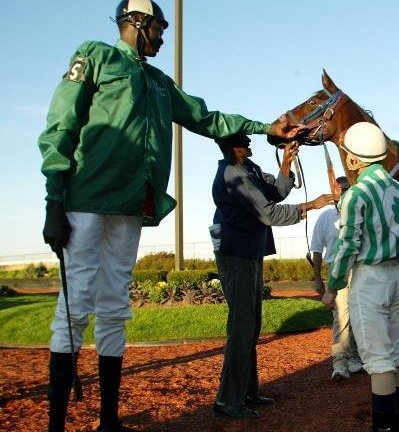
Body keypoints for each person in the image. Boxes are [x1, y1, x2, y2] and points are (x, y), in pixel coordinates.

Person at [37, 2, 305, 431]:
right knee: (73, 310)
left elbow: (207, 117)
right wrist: (54, 199)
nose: (163, 37)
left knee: (113, 309)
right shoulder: (95, 56)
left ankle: (109, 422)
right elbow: (60, 125)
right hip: (84, 202)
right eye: (159, 28)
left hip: (130, 207)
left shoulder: (160, 82)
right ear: (138, 23)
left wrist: (265, 128)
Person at [212, 134, 335, 419]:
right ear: (233, 146)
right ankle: (227, 401)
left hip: (249, 252)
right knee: (242, 325)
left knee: (250, 324)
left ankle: (247, 392)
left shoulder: (249, 169)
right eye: (244, 139)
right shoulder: (234, 175)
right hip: (236, 254)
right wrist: (310, 206)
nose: (250, 141)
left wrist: (288, 161)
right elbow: (268, 213)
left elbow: (276, 191)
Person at [321, 122, 399, 432]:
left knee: (378, 361)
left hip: (370, 280)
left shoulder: (356, 194)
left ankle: (384, 428)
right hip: (398, 276)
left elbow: (347, 247)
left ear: (353, 159)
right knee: (397, 352)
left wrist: (333, 287)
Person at [310, 176, 364, 382]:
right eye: (339, 190)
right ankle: (339, 363)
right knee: (341, 318)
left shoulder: (359, 212)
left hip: (358, 269)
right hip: (336, 271)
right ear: (334, 192)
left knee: (358, 315)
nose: (343, 193)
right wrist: (317, 279)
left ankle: (354, 357)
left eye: (346, 189)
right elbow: (316, 250)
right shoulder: (324, 218)